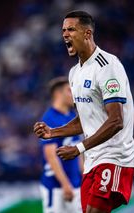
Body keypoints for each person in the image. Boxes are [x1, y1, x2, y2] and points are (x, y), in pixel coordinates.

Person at [34, 11, 134, 213]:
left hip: (115, 156)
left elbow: (116, 120)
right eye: (63, 30)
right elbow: (85, 120)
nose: (65, 34)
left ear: (87, 34)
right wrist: (52, 132)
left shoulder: (107, 66)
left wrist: (79, 148)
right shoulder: (75, 73)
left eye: (71, 29)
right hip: (92, 161)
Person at [39, 77, 83, 213]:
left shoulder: (73, 116)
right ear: (58, 94)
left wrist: (84, 175)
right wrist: (65, 184)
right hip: (56, 185)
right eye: (69, 90)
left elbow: (79, 150)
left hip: (76, 182)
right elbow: (51, 156)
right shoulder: (49, 119)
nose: (73, 94)